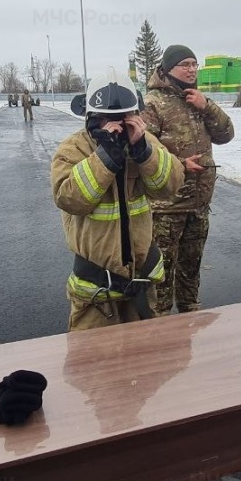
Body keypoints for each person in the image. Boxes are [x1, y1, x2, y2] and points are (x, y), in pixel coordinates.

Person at [51, 68, 184, 332]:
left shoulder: (145, 143)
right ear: (89, 117)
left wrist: (144, 153)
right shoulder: (73, 148)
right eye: (105, 119)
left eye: (124, 117)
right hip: (95, 292)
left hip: (141, 284)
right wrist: (105, 158)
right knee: (92, 365)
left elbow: (170, 186)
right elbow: (69, 199)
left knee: (146, 361)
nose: (116, 126)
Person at [140, 45, 234, 316]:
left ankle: (190, 313)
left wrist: (208, 107)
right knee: (162, 272)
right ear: (168, 68)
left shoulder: (199, 99)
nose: (192, 69)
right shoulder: (153, 103)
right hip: (167, 206)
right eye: (185, 64)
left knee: (191, 267)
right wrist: (179, 165)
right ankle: (159, 321)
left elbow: (226, 134)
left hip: (198, 204)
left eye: (194, 64)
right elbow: (145, 151)